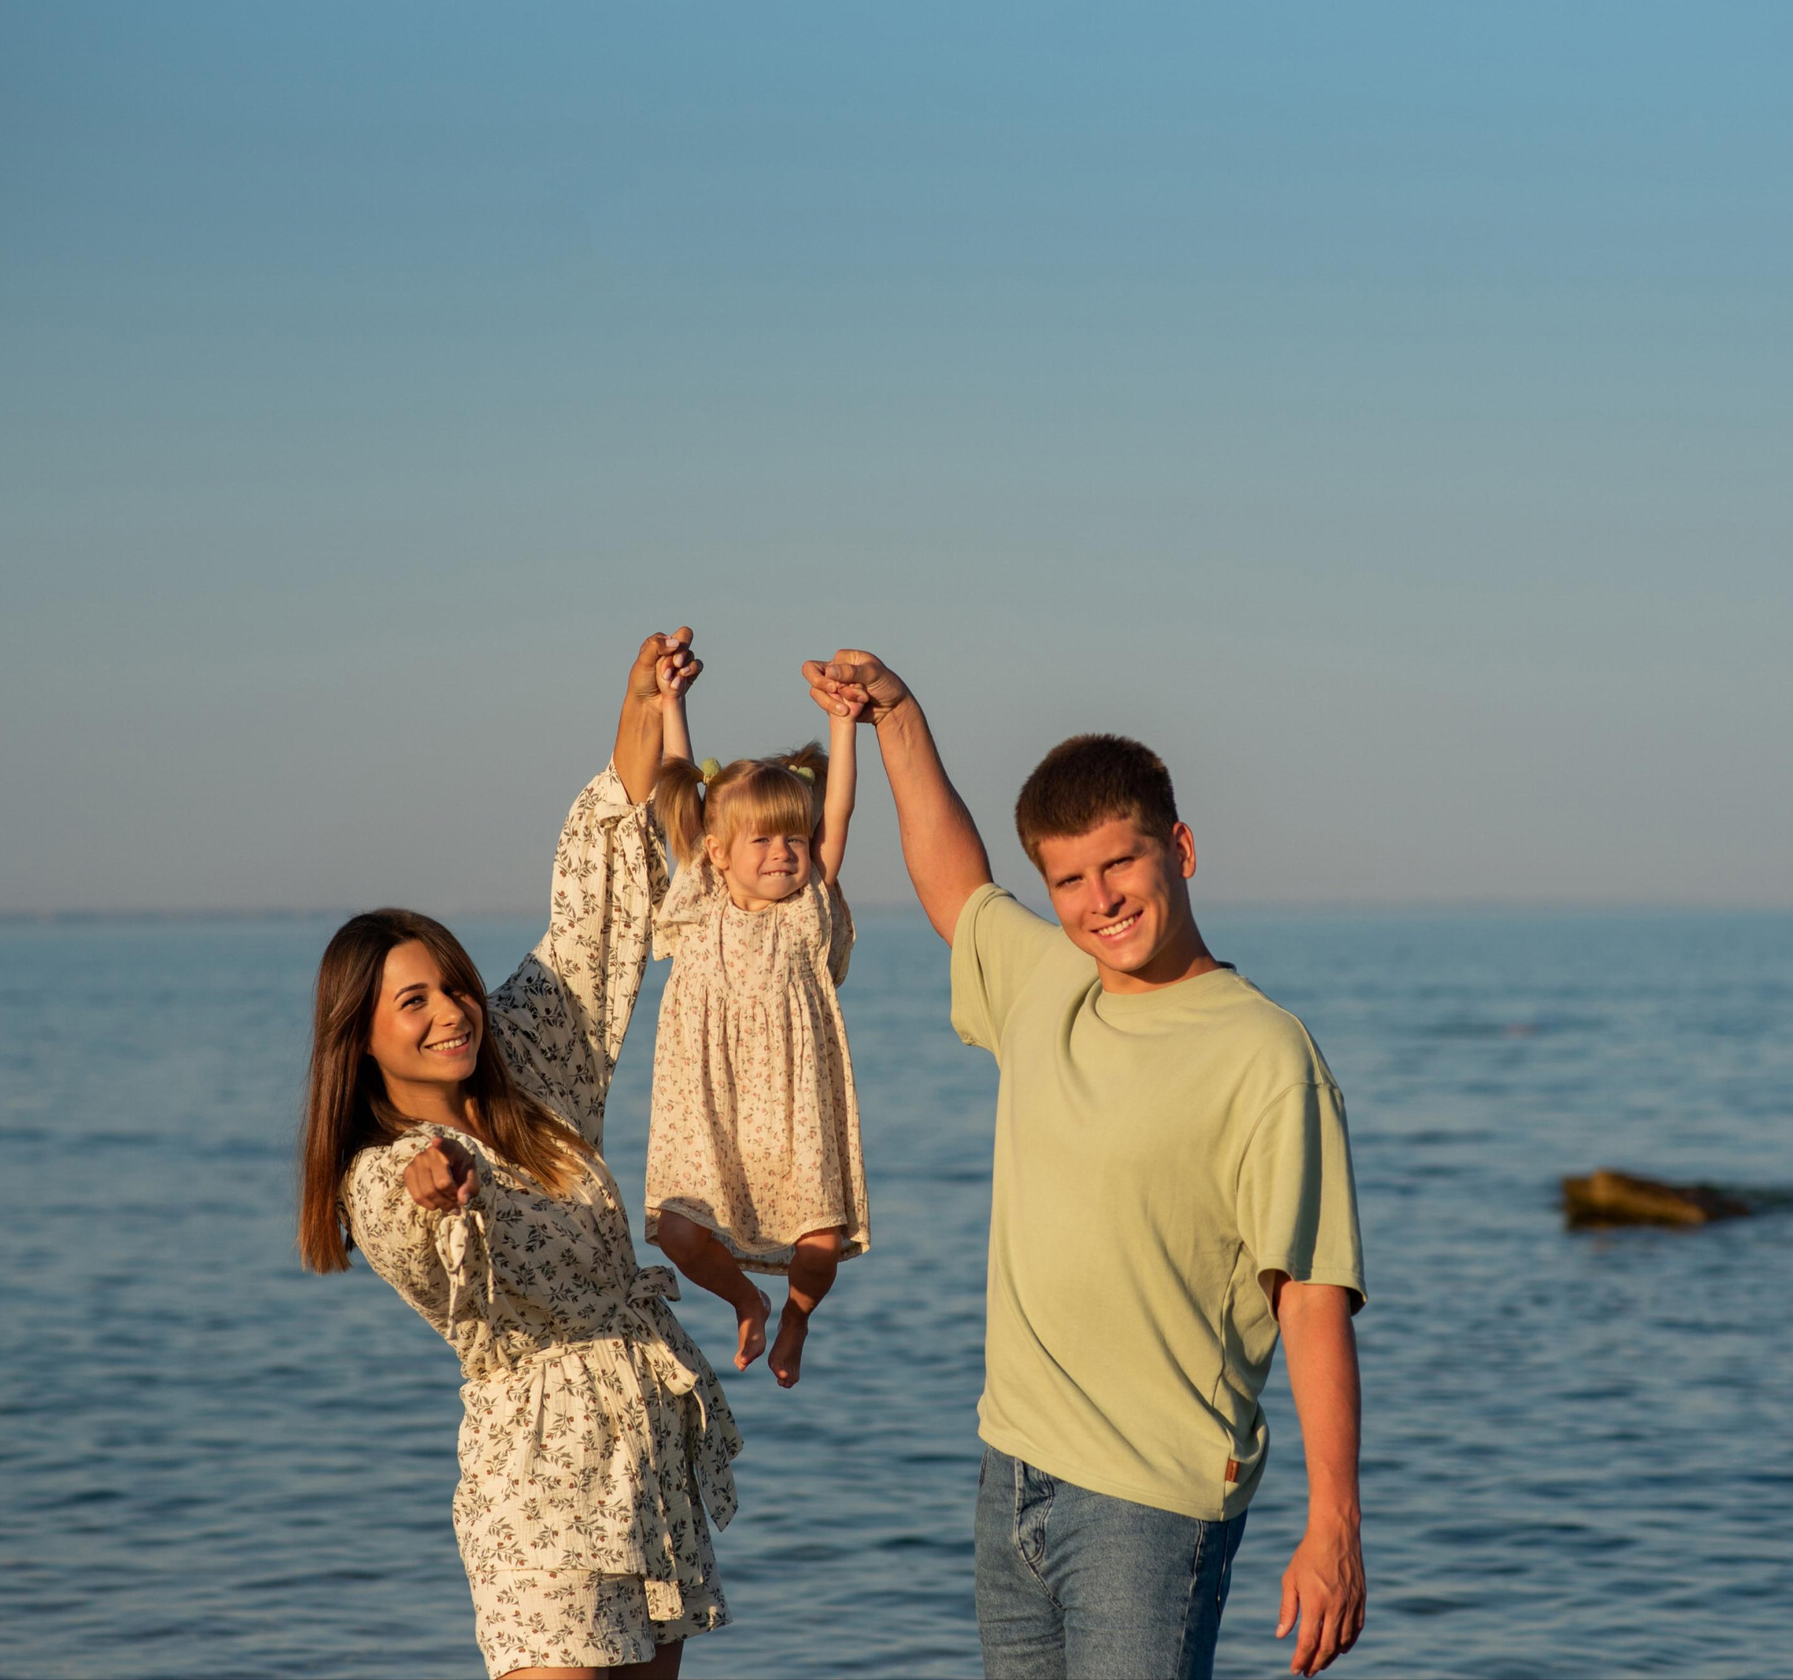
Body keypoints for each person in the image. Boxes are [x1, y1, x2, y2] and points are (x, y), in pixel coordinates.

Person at [802, 649, 1369, 1680]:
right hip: (1010, 1471)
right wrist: (897, 716)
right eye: (1067, 877)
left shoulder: (1265, 1052)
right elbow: (955, 889)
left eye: (1120, 863)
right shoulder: (1048, 982)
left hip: (1149, 1503)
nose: (1098, 899)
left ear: (1180, 847)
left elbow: (1312, 1293)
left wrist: (1334, 1524)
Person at [296, 630, 741, 1680]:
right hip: (535, 1477)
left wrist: (641, 705)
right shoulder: (379, 1165)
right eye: (415, 1000)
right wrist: (430, 1186)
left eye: (453, 984)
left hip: (640, 1454)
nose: (451, 1010)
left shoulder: (529, 1065)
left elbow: (589, 917)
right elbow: (402, 1217)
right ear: (360, 1034)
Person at [643, 675, 869, 1389]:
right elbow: (685, 789)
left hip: (792, 1114)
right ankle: (747, 1300)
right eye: (762, 838)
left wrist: (842, 727)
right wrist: (671, 706)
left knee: (822, 1245)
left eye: (793, 838)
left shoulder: (808, 912)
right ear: (717, 851)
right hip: (706, 1107)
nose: (782, 852)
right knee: (679, 1232)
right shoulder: (697, 899)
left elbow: (838, 813)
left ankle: (797, 1319)